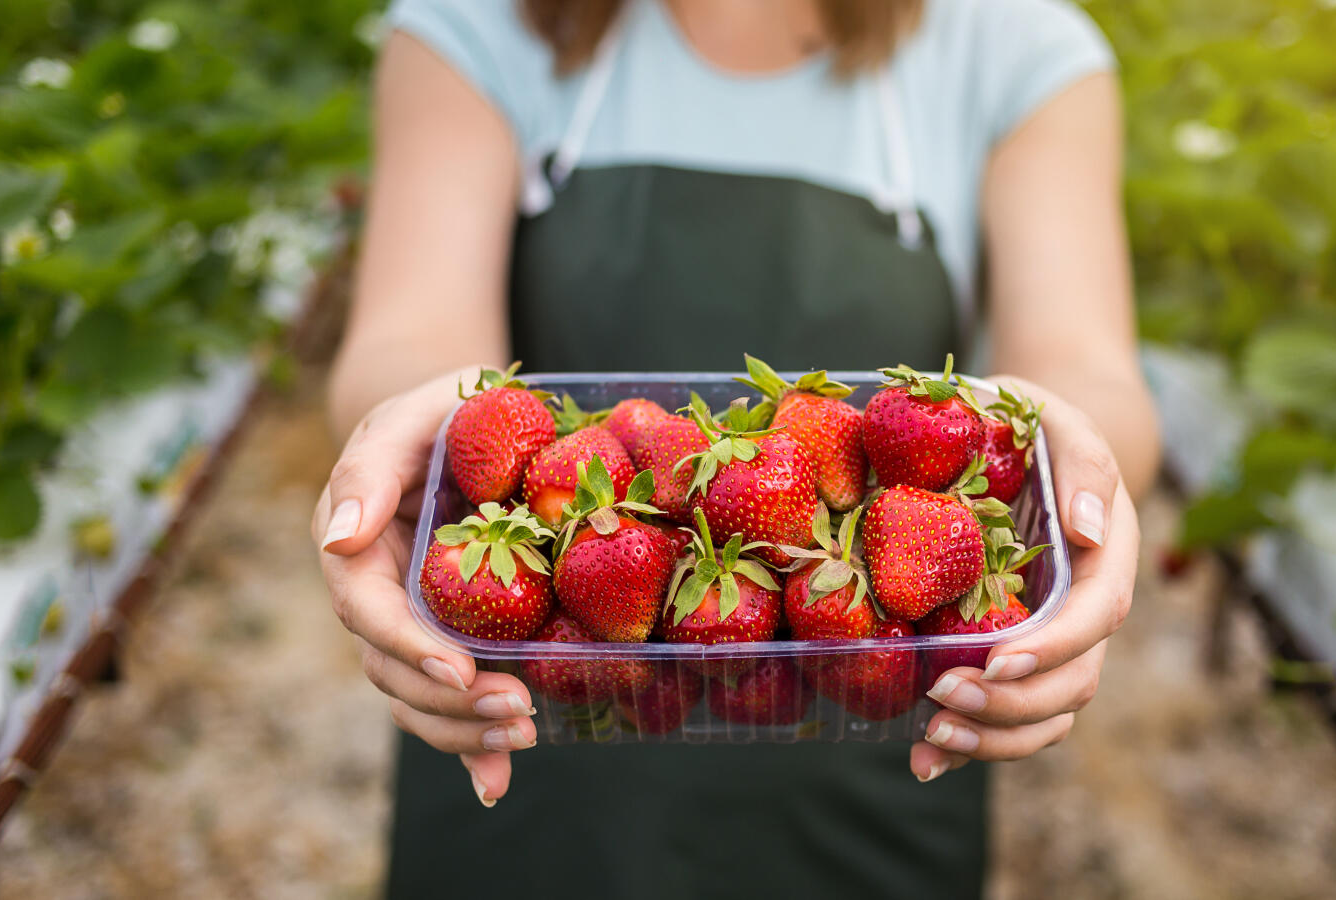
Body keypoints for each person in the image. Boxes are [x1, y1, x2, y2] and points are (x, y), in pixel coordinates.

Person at [312, 0, 1159, 895]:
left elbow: (1090, 373)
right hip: (534, 714)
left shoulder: (1013, 45)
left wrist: (1065, 443)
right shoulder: (478, 21)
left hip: (876, 718)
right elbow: (408, 340)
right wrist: (413, 426)